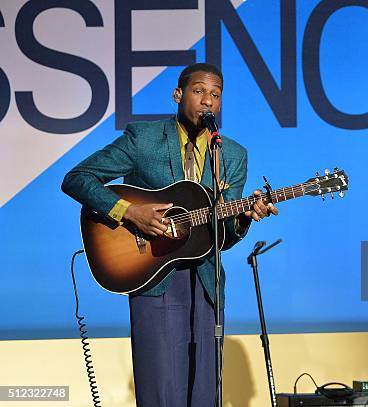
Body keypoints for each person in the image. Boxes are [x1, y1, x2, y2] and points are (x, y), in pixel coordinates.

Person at [62, 62, 278, 406]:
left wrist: (245, 217)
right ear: (178, 95)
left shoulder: (232, 155)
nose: (207, 101)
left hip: (207, 282)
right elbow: (77, 178)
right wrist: (130, 211)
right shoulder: (143, 140)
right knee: (161, 391)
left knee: (205, 392)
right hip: (152, 272)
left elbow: (224, 237)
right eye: (199, 91)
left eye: (216, 95)